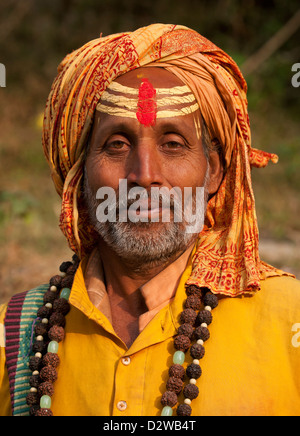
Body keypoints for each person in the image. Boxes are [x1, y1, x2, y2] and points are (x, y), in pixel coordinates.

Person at [0, 23, 299, 417]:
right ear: (80, 172)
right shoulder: (16, 334)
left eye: (173, 144)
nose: (144, 175)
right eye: (116, 144)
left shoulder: (289, 320)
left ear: (213, 171)